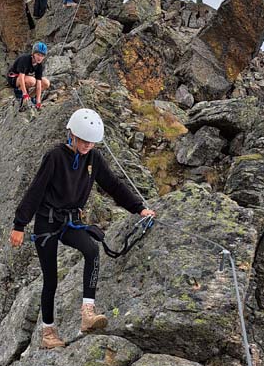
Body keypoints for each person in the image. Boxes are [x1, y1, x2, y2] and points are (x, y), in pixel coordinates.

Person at [9, 108, 156, 349]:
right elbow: (35, 190)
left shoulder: (93, 159)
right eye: (84, 140)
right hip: (47, 222)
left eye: (91, 142)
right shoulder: (55, 156)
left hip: (69, 221)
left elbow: (113, 185)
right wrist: (20, 225)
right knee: (51, 281)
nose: (88, 145)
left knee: (91, 250)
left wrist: (139, 208)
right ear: (72, 135)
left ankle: (88, 312)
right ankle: (48, 334)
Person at [6, 42, 50, 109]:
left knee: (46, 83)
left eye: (42, 56)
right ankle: (20, 95)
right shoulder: (25, 59)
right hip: (13, 78)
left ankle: (30, 97)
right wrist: (24, 93)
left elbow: (38, 83)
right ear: (33, 54)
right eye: (38, 54)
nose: (40, 57)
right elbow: (21, 77)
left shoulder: (39, 65)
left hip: (25, 78)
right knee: (31, 81)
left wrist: (38, 101)